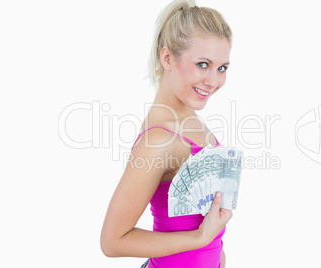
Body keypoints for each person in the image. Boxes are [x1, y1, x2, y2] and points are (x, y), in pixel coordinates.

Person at [100, 0, 233, 267]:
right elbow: (113, 241)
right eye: (203, 64)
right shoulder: (158, 141)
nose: (213, 81)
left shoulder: (189, 116)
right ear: (167, 57)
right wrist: (199, 238)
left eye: (222, 68)